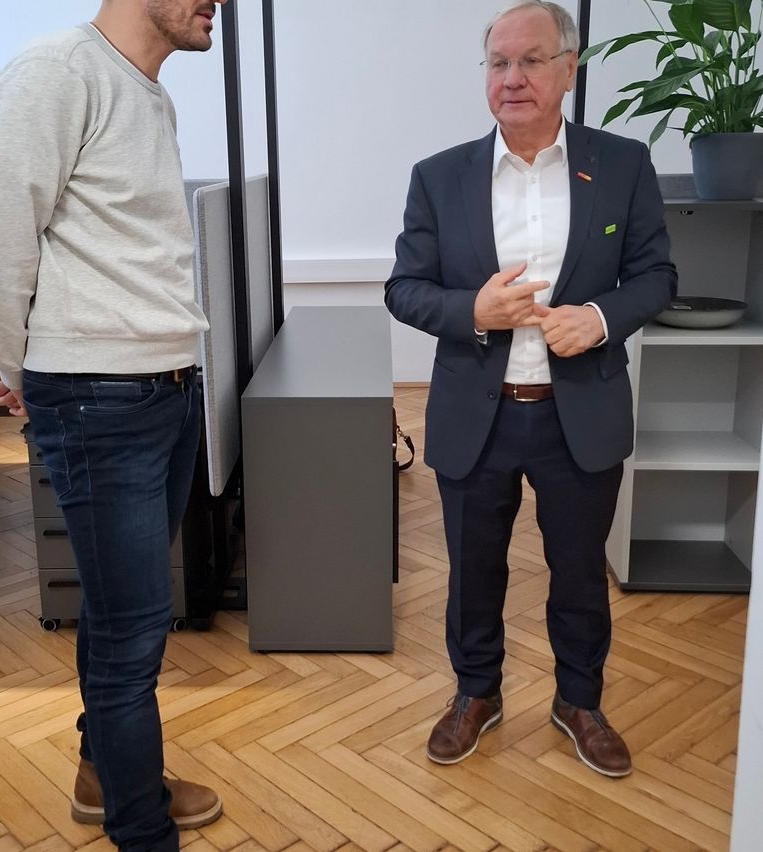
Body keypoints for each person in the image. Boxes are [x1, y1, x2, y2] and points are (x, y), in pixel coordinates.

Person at [0, 1, 228, 848]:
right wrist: (37, 373)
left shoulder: (144, 92)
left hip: (165, 385)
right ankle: (141, 830)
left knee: (124, 619)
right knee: (132, 628)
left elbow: (97, 250)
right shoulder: (57, 72)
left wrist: (36, 357)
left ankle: (105, 775)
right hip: (104, 399)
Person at [385, 0, 676, 778]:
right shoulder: (439, 176)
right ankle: (476, 693)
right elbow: (404, 289)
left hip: (576, 412)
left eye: (531, 60)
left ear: (568, 69)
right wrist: (471, 311)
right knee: (473, 569)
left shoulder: (621, 164)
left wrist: (603, 317)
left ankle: (578, 699)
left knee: (579, 571)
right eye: (498, 64)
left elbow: (657, 276)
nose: (512, 78)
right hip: (476, 413)